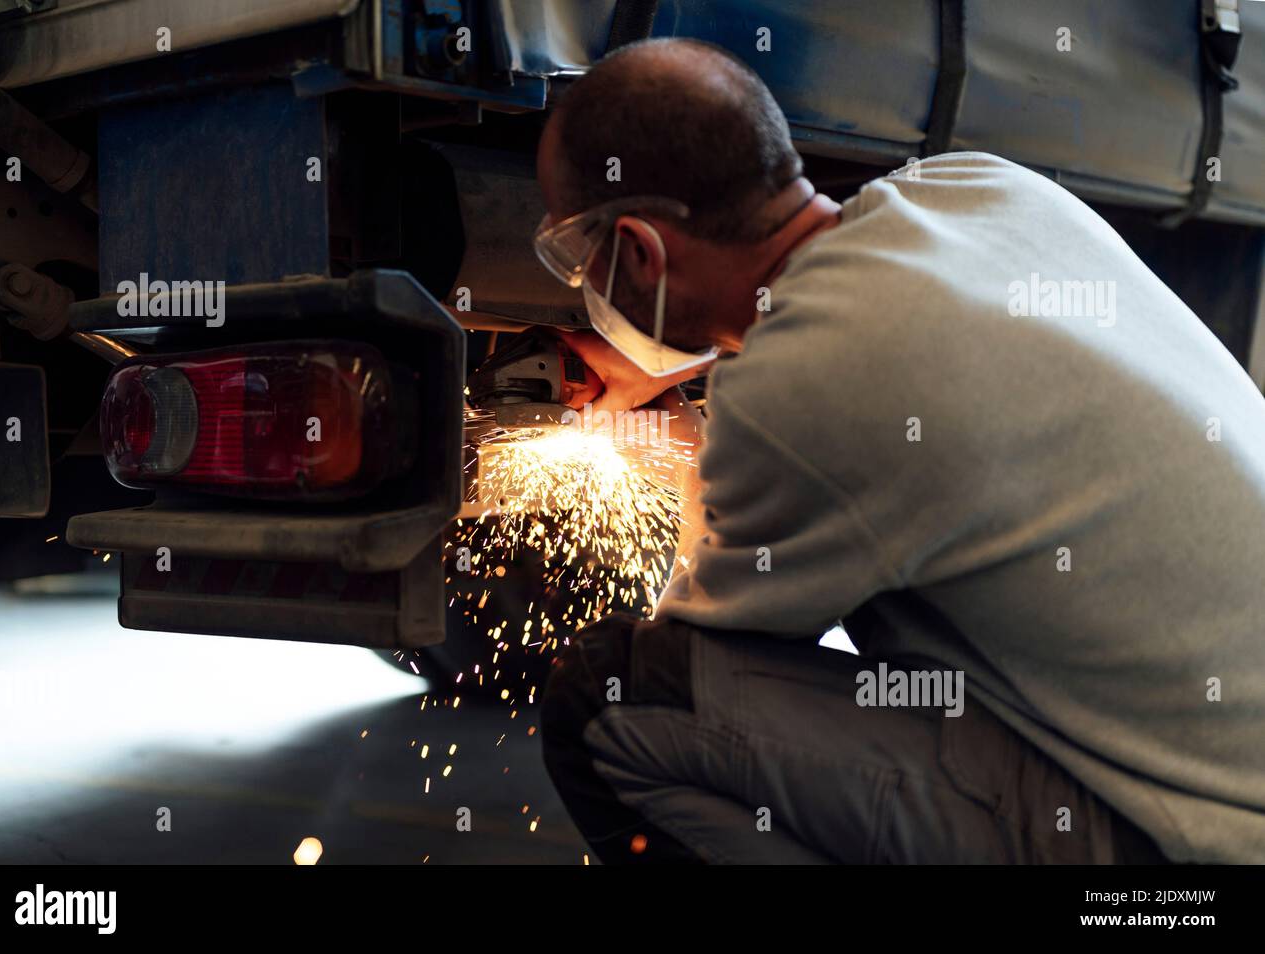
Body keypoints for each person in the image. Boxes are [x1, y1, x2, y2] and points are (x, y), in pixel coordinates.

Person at [533, 37, 1265, 864]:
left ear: (638, 250)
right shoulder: (978, 186)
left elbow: (702, 655)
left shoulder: (802, 390)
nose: (584, 288)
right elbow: (872, 375)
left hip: (1183, 865)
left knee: (616, 694)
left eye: (579, 263)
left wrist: (679, 447)